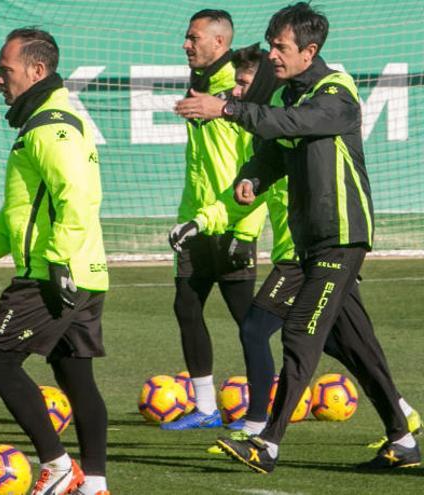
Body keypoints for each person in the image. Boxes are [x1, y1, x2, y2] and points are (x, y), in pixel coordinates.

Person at [175, 2, 419, 472]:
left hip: (341, 236)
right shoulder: (290, 96)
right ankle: (403, 437)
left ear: (310, 51)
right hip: (311, 241)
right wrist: (252, 177)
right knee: (355, 347)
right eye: (270, 46)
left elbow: (296, 126)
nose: (272, 56)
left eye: (281, 47)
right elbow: (275, 149)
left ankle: (266, 442)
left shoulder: (336, 91)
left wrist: (226, 107)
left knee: (300, 332)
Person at [0, 28, 110, 495]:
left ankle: (58, 465)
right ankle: (95, 485)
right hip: (81, 271)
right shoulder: (43, 122)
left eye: (5, 70)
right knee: (75, 377)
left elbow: (79, 196)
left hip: (53, 273)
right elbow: (26, 211)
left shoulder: (52, 124)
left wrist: (58, 261)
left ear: (37, 71)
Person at [163, 9, 267, 431]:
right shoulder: (200, 87)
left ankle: (265, 410)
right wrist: (188, 218)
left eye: (194, 37)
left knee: (250, 325)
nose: (186, 44)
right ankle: (206, 408)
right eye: (186, 37)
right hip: (195, 223)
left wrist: (245, 229)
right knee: (186, 307)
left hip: (232, 222)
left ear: (219, 43)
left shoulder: (241, 93)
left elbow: (261, 167)